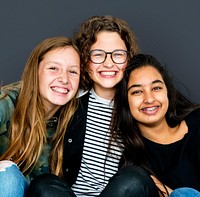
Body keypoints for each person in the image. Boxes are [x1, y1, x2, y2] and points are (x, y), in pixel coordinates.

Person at [27, 16, 160, 197]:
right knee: (43, 184)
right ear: (84, 61)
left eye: (118, 54)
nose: (108, 63)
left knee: (134, 178)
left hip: (119, 193)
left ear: (128, 59)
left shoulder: (138, 104)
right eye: (98, 54)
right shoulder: (68, 98)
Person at [0, 36, 81, 196]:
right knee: (8, 175)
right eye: (53, 68)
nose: (64, 79)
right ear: (35, 71)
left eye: (72, 71)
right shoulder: (6, 103)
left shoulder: (75, 119)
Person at [113, 53, 200, 196]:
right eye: (137, 91)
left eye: (156, 88)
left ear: (167, 92)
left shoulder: (197, 122)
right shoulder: (134, 165)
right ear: (125, 102)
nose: (149, 99)